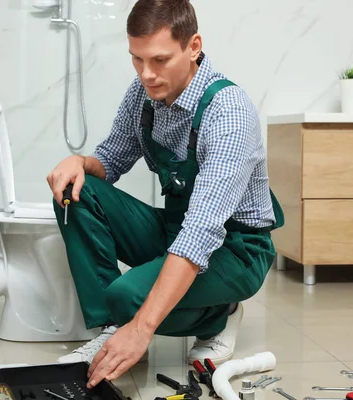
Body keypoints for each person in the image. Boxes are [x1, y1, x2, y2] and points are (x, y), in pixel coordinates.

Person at [46, 0, 284, 389]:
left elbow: (202, 231)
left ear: (193, 47)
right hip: (177, 229)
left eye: (158, 60)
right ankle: (112, 327)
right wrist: (80, 162)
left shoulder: (228, 112)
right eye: (136, 60)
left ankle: (219, 314)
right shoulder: (144, 95)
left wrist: (142, 328)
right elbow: (111, 159)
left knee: (126, 296)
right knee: (78, 191)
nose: (146, 74)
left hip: (236, 247)